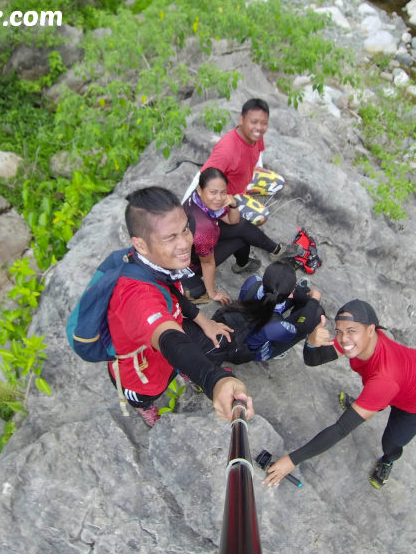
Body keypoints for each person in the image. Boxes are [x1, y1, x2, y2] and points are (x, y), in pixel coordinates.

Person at [107, 186, 254, 427]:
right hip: (141, 374)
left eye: (185, 229)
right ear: (140, 244)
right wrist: (212, 380)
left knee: (218, 341)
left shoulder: (153, 264)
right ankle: (146, 408)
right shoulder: (136, 297)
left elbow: (172, 292)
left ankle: (185, 371)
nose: (186, 242)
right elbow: (170, 340)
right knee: (149, 394)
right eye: (170, 237)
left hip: (167, 346)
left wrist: (203, 321)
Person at [262, 300, 416, 489]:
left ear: (371, 330)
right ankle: (372, 405)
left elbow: (341, 428)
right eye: (339, 331)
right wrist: (311, 344)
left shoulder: (384, 379)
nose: (343, 338)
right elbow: (313, 360)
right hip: (403, 378)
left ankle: (388, 459)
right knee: (377, 397)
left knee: (391, 442)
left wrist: (292, 460)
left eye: (350, 331)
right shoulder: (357, 340)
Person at [182, 168, 303, 301]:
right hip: (193, 262)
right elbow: (207, 263)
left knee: (243, 227)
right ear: (200, 189)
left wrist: (233, 205)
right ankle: (242, 265)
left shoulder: (200, 199)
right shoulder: (204, 229)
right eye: (214, 192)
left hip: (201, 237)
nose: (219, 198)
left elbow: (233, 221)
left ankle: (276, 250)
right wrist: (213, 293)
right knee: (242, 239)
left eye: (223, 192)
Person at [217, 261, 324, 362]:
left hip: (244, 323)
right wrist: (314, 300)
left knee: (302, 297)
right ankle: (277, 351)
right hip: (248, 350)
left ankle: (301, 293)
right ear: (291, 293)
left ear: (262, 282)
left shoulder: (252, 282)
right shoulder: (279, 327)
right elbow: (303, 327)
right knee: (316, 312)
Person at [202, 98, 274, 198]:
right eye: (254, 122)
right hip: (225, 201)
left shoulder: (256, 137)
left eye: (264, 123)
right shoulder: (227, 150)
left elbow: (258, 157)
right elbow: (204, 182)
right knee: (260, 213)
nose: (259, 128)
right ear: (241, 120)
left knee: (277, 182)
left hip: (242, 190)